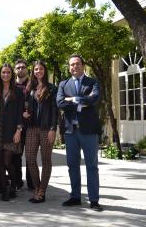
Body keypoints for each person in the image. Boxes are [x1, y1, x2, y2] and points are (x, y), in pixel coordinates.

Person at [56, 54, 103, 211]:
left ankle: (94, 200)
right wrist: (82, 100)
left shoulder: (93, 82)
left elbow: (94, 99)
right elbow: (60, 102)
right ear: (68, 67)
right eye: (71, 65)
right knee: (72, 165)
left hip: (88, 130)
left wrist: (73, 99)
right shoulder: (63, 84)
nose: (74, 67)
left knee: (91, 165)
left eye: (77, 64)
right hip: (70, 131)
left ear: (83, 65)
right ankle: (75, 196)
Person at [23, 60, 58, 203]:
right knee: (30, 159)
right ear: (33, 71)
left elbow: (55, 111)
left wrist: (53, 129)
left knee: (46, 160)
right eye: (36, 69)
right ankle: (37, 187)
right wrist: (24, 113)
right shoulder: (29, 88)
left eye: (41, 69)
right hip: (31, 127)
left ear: (45, 71)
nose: (38, 71)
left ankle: (42, 191)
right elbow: (24, 106)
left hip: (46, 129)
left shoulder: (52, 88)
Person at [0, 63, 24, 201]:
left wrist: (18, 131)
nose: (5, 75)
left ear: (12, 75)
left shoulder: (18, 91)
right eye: (3, 72)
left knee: (7, 161)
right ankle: (4, 190)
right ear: (0, 74)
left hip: (12, 130)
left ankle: (13, 185)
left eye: (8, 72)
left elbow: (20, 113)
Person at [13, 59, 34, 191]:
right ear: (15, 70)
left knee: (30, 155)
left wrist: (30, 112)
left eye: (23, 67)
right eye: (18, 67)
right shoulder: (11, 85)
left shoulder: (33, 84)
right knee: (16, 155)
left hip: (31, 125)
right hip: (16, 126)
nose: (21, 69)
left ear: (27, 69)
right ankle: (18, 181)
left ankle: (32, 183)